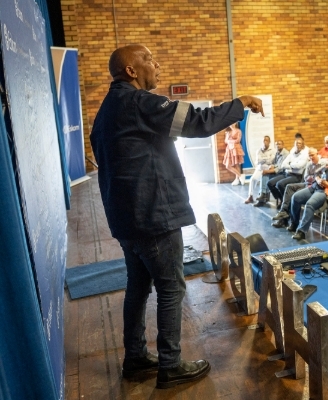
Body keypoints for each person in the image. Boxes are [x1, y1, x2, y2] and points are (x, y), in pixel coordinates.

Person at [90, 44, 264, 389]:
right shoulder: (140, 103)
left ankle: (136, 357)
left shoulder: (107, 110)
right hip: (154, 215)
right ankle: (170, 365)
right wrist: (239, 103)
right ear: (130, 70)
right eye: (149, 60)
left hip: (126, 218)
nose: (157, 64)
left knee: (138, 288)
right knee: (171, 288)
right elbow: (198, 123)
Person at [289, 152, 328, 240]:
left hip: (325, 192)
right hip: (315, 187)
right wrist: (318, 179)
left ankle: (302, 231)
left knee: (310, 204)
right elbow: (317, 174)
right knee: (295, 198)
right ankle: (294, 223)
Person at [271, 148, 326, 228]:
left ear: (317, 154)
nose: (311, 157)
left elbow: (322, 178)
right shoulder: (309, 164)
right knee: (289, 187)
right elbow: (306, 177)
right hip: (306, 184)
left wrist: (313, 177)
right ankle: (283, 211)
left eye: (312, 155)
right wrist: (314, 177)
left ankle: (291, 222)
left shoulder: (323, 163)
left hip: (315, 187)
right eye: (309, 155)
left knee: (294, 196)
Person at [267, 137, 309, 207]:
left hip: (296, 176)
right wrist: (292, 166)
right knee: (270, 183)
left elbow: (299, 166)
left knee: (280, 184)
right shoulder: (292, 154)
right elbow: (283, 164)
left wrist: (289, 165)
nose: (297, 145)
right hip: (287, 174)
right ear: (294, 144)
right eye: (296, 143)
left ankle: (286, 203)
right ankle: (283, 199)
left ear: (302, 145)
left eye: (299, 143)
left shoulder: (304, 155)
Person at [258, 140, 289, 205]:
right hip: (277, 172)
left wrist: (268, 171)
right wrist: (272, 166)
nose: (278, 145)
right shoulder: (277, 153)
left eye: (279, 144)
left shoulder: (286, 154)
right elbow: (275, 164)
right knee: (264, 175)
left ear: (283, 145)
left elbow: (281, 168)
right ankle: (263, 194)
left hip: (283, 173)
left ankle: (280, 198)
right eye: (276, 144)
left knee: (267, 177)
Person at [245, 135, 274, 204]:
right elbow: (258, 161)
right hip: (259, 168)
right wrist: (266, 158)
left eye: (266, 140)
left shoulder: (272, 150)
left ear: (269, 142)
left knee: (263, 179)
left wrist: (263, 159)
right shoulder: (259, 150)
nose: (265, 142)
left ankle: (262, 196)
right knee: (252, 179)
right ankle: (250, 196)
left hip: (267, 169)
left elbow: (271, 161)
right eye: (264, 140)